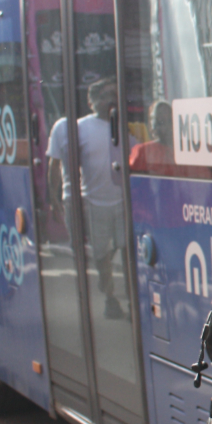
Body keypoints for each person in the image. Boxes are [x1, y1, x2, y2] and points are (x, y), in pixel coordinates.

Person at [47, 77, 127, 320]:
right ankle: (110, 297)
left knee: (125, 250)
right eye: (104, 96)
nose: (110, 100)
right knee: (101, 254)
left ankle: (127, 299)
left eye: (114, 94)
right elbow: (54, 166)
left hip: (121, 203)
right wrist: (54, 199)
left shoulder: (124, 128)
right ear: (91, 102)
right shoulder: (72, 128)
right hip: (92, 204)